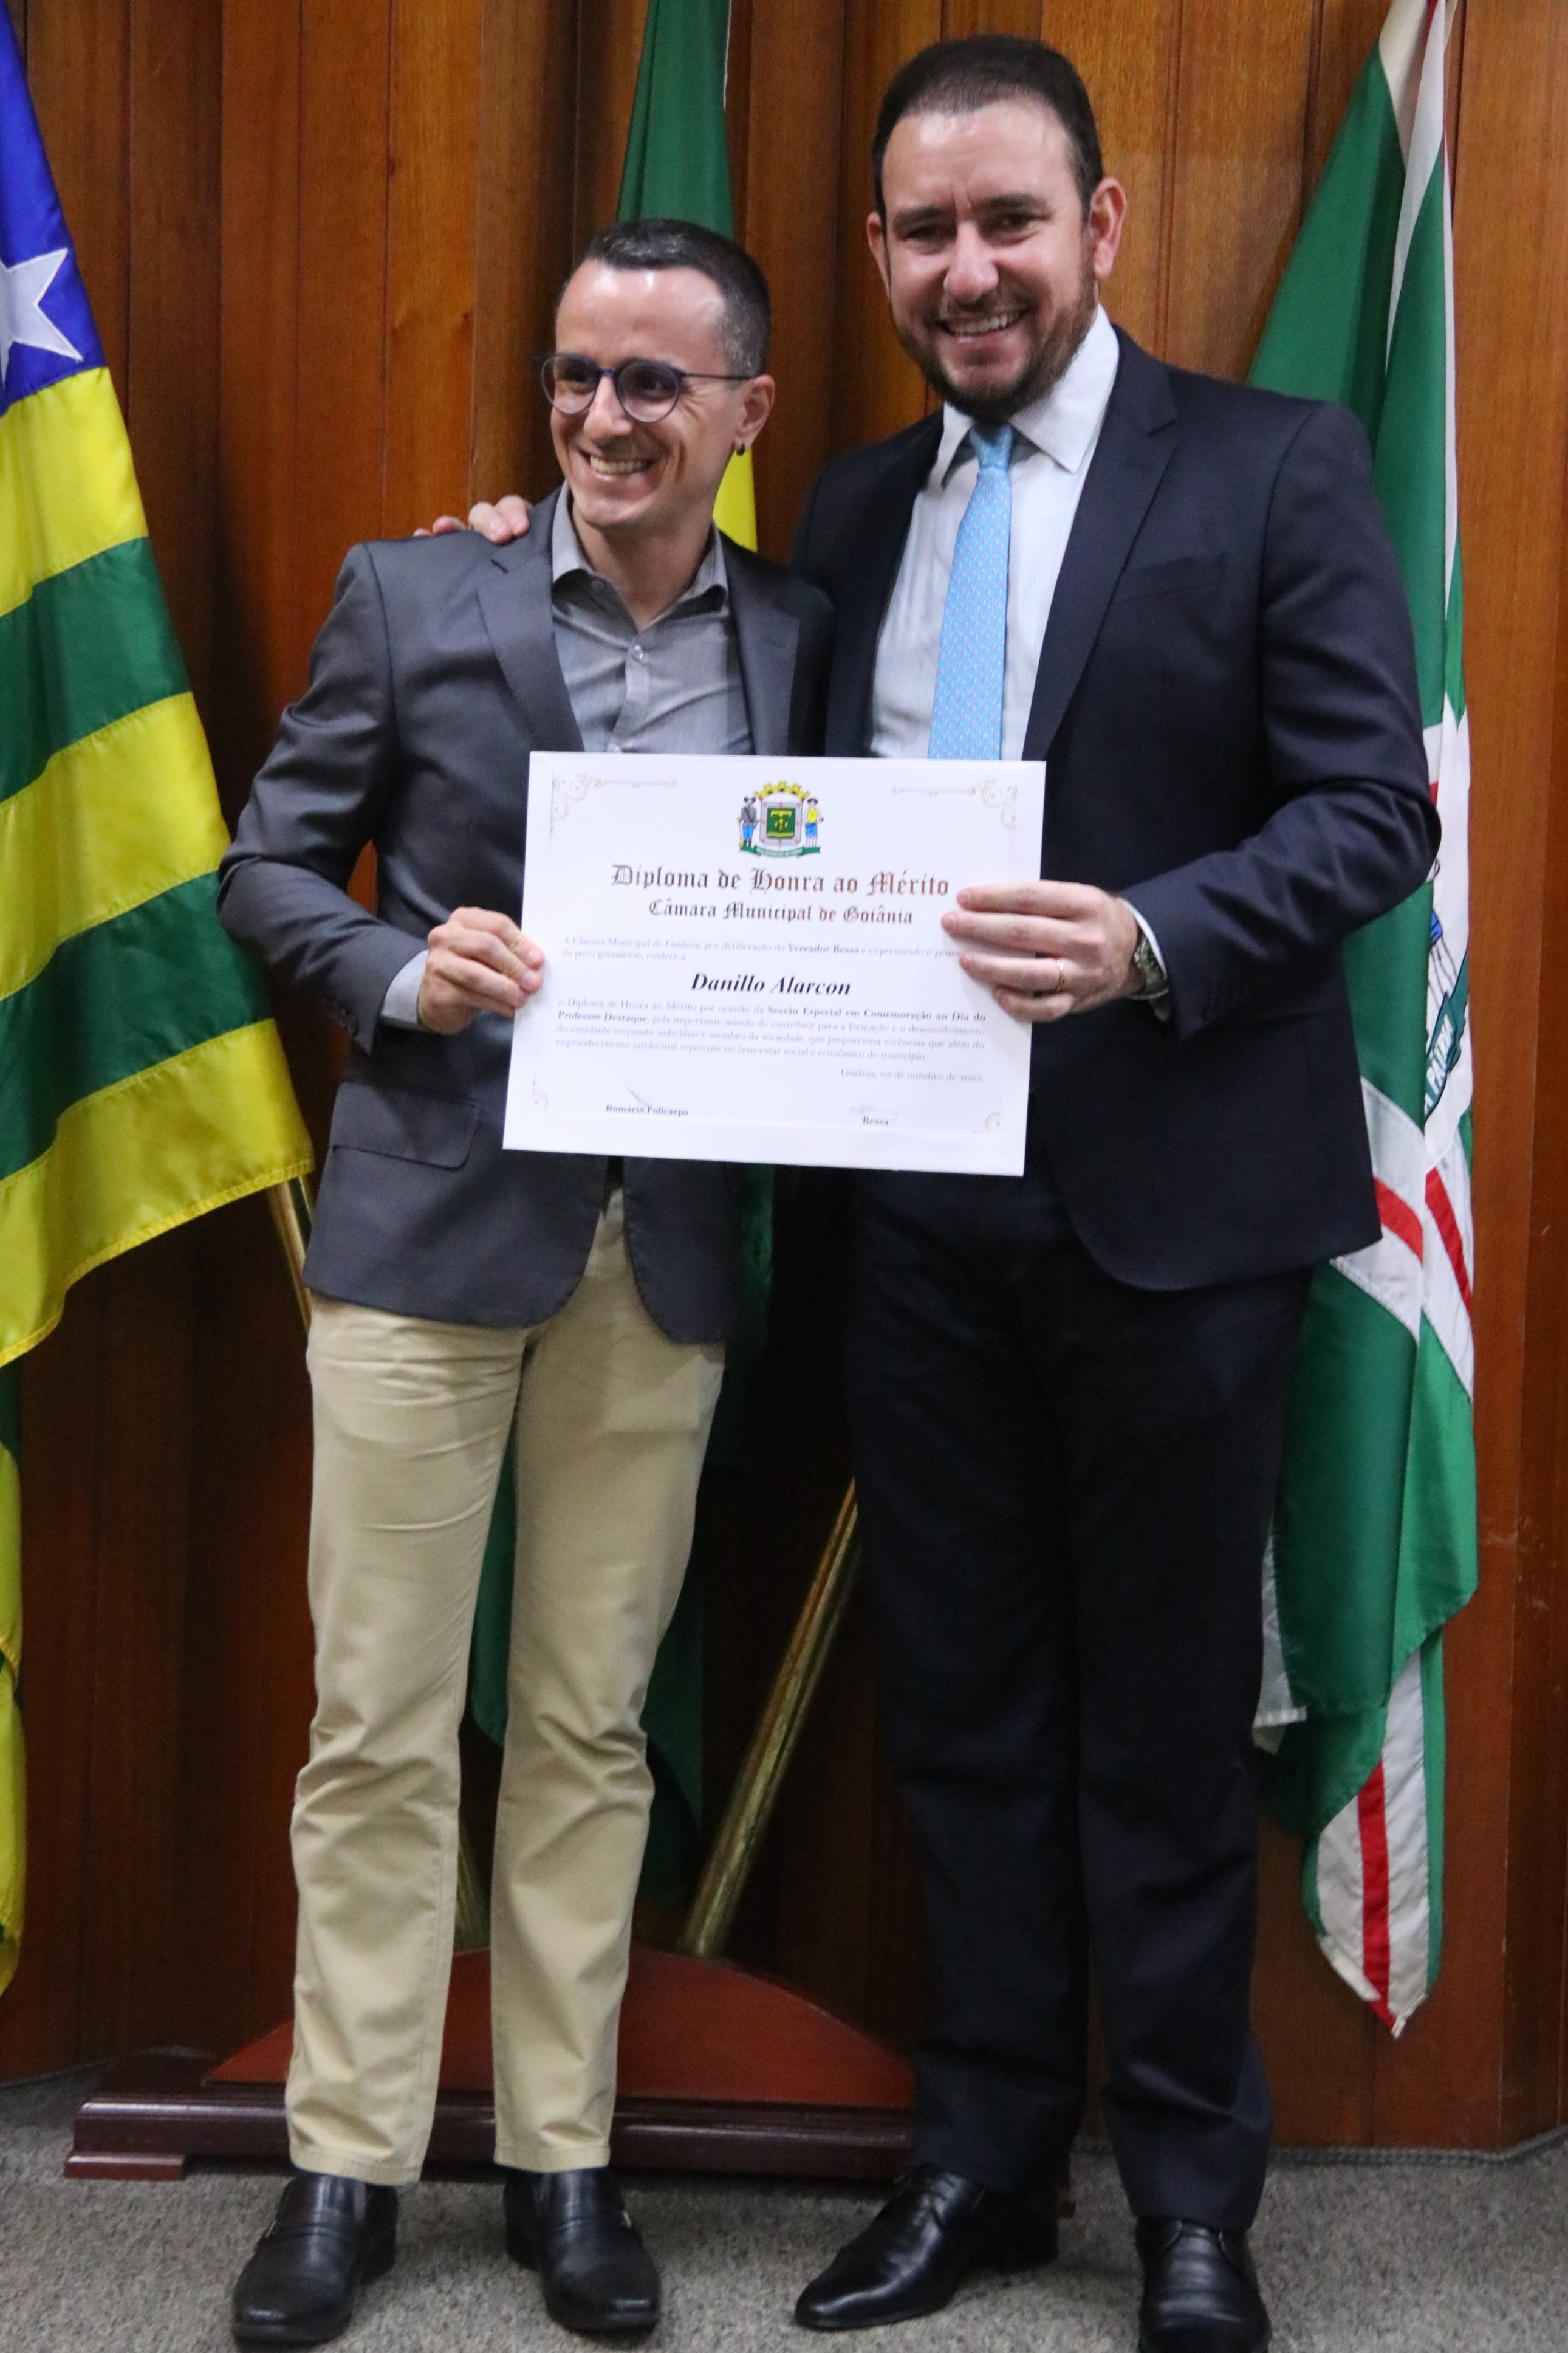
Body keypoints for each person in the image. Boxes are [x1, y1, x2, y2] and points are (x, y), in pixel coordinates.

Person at [458, 35, 1438, 2353]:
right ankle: (985, 2165)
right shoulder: (860, 505)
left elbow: (1373, 814)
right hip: (908, 1221)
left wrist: (1150, 935)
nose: (969, 267)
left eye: (1010, 220)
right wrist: (524, 547)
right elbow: (722, 745)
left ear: (1103, 226)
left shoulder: (1276, 466)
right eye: (925, 232)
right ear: (882, 258)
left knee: (1167, 1733)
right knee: (968, 1718)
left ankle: (1191, 2206)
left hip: (1177, 1217)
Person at [217, 218, 830, 2349]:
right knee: (378, 1721)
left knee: (587, 1724)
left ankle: (567, 2160)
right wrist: (404, 968)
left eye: (655, 381)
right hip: (423, 1231)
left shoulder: (806, 634)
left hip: (663, 1247)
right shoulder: (418, 591)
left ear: (748, 410)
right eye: (576, 374)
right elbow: (265, 872)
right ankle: (347, 2166)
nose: (602, 417)